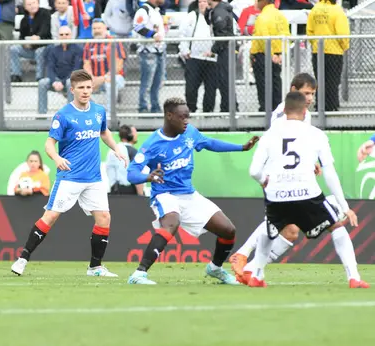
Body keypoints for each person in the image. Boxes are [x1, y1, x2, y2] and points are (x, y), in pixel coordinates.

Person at [126, 97, 259, 285]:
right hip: (165, 194)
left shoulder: (189, 133)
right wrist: (147, 177)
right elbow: (131, 174)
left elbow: (209, 143)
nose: (186, 121)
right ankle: (139, 274)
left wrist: (241, 148)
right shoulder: (153, 143)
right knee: (171, 223)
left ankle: (215, 268)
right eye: (182, 117)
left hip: (189, 194)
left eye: (188, 117)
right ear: (169, 116)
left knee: (228, 230)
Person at [10, 69, 128, 277]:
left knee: (104, 217)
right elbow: (49, 144)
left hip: (93, 178)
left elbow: (104, 132)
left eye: (89, 87)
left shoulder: (99, 111)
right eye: (81, 88)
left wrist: (116, 148)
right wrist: (57, 158)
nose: (85, 91)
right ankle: (22, 258)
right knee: (51, 216)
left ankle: (95, 267)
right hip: (70, 176)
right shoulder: (63, 115)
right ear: (72, 90)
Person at [244, 91, 369, 288]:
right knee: (336, 226)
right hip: (307, 194)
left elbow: (254, 171)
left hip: (277, 195)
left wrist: (263, 180)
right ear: (305, 111)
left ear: (284, 110)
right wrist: (345, 206)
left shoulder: (269, 134)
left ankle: (257, 275)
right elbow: (329, 173)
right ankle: (353, 277)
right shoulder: (316, 134)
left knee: (270, 229)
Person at [229, 73, 317, 278]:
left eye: (312, 93)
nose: (310, 98)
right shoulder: (282, 114)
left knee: (291, 230)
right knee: (279, 220)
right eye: (306, 93)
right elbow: (276, 145)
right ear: (293, 91)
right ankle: (243, 255)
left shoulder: (306, 114)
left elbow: (299, 143)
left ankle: (250, 268)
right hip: (276, 173)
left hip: (291, 173)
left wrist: (310, 161)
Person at [307, 0, 349, 112]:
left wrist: (315, 44)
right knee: (333, 82)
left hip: (318, 51)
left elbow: (309, 32)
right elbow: (342, 33)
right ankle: (332, 107)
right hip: (334, 52)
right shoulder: (337, 11)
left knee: (320, 81)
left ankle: (320, 107)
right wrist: (344, 46)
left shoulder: (314, 10)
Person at [250, 0, 289, 112]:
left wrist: (270, 54)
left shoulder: (262, 17)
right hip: (277, 55)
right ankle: (277, 110)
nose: (256, 3)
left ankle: (265, 110)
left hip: (263, 55)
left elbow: (264, 38)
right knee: (276, 83)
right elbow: (286, 35)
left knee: (263, 85)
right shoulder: (280, 15)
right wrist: (280, 53)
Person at [133, 0, 165, 114]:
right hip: (148, 51)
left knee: (157, 82)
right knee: (147, 82)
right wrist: (153, 34)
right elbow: (137, 27)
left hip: (159, 50)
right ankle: (143, 108)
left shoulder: (156, 11)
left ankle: (155, 107)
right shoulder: (144, 10)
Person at [106, 124, 144, 195]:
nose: (137, 135)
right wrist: (141, 195)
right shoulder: (133, 151)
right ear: (129, 135)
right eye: (135, 132)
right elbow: (136, 174)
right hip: (129, 191)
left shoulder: (112, 150)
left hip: (114, 191)